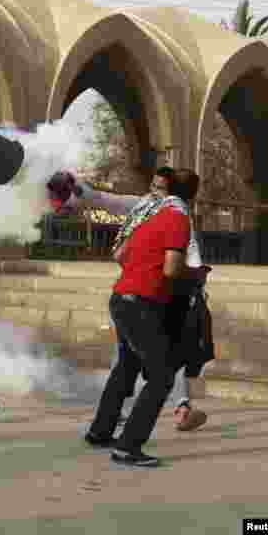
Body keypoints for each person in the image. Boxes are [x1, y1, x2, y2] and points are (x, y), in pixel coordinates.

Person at [48, 168, 210, 432]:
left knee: (136, 358)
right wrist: (80, 192)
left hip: (147, 296)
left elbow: (186, 256)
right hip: (145, 296)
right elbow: (110, 202)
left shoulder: (164, 214)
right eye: (153, 185)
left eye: (160, 187)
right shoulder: (153, 210)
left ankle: (116, 423)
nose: (153, 192)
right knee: (150, 361)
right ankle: (135, 433)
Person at [80, 168, 204, 467]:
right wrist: (197, 273)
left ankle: (100, 432)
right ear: (193, 195)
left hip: (122, 297)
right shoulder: (178, 217)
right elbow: (172, 269)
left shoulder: (149, 214)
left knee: (126, 366)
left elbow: (121, 255)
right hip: (141, 304)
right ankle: (128, 447)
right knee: (161, 376)